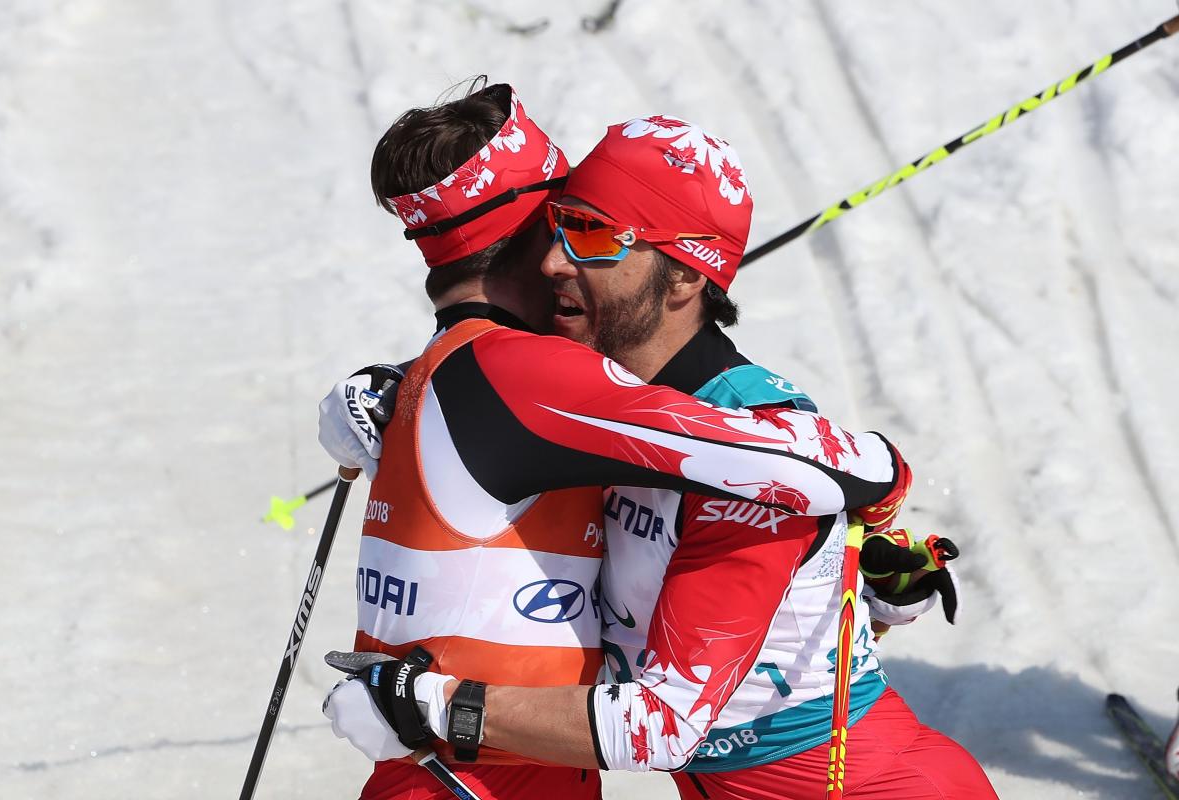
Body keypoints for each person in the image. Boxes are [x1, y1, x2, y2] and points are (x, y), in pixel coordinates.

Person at [322, 102, 995, 799]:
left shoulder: (746, 445)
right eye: (557, 227)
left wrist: (426, 704)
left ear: (683, 276)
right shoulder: (596, 424)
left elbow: (670, 721)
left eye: (592, 237)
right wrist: (413, 392)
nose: (553, 261)